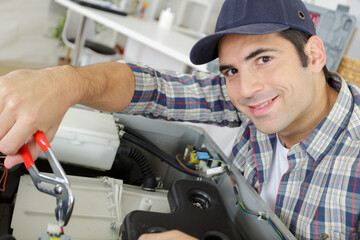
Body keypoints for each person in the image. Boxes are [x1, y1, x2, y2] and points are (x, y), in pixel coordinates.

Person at [0, 0, 359, 239]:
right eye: (231, 70)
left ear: (313, 55)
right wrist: (66, 82)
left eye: (264, 58)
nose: (247, 88)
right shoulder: (255, 98)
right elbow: (155, 89)